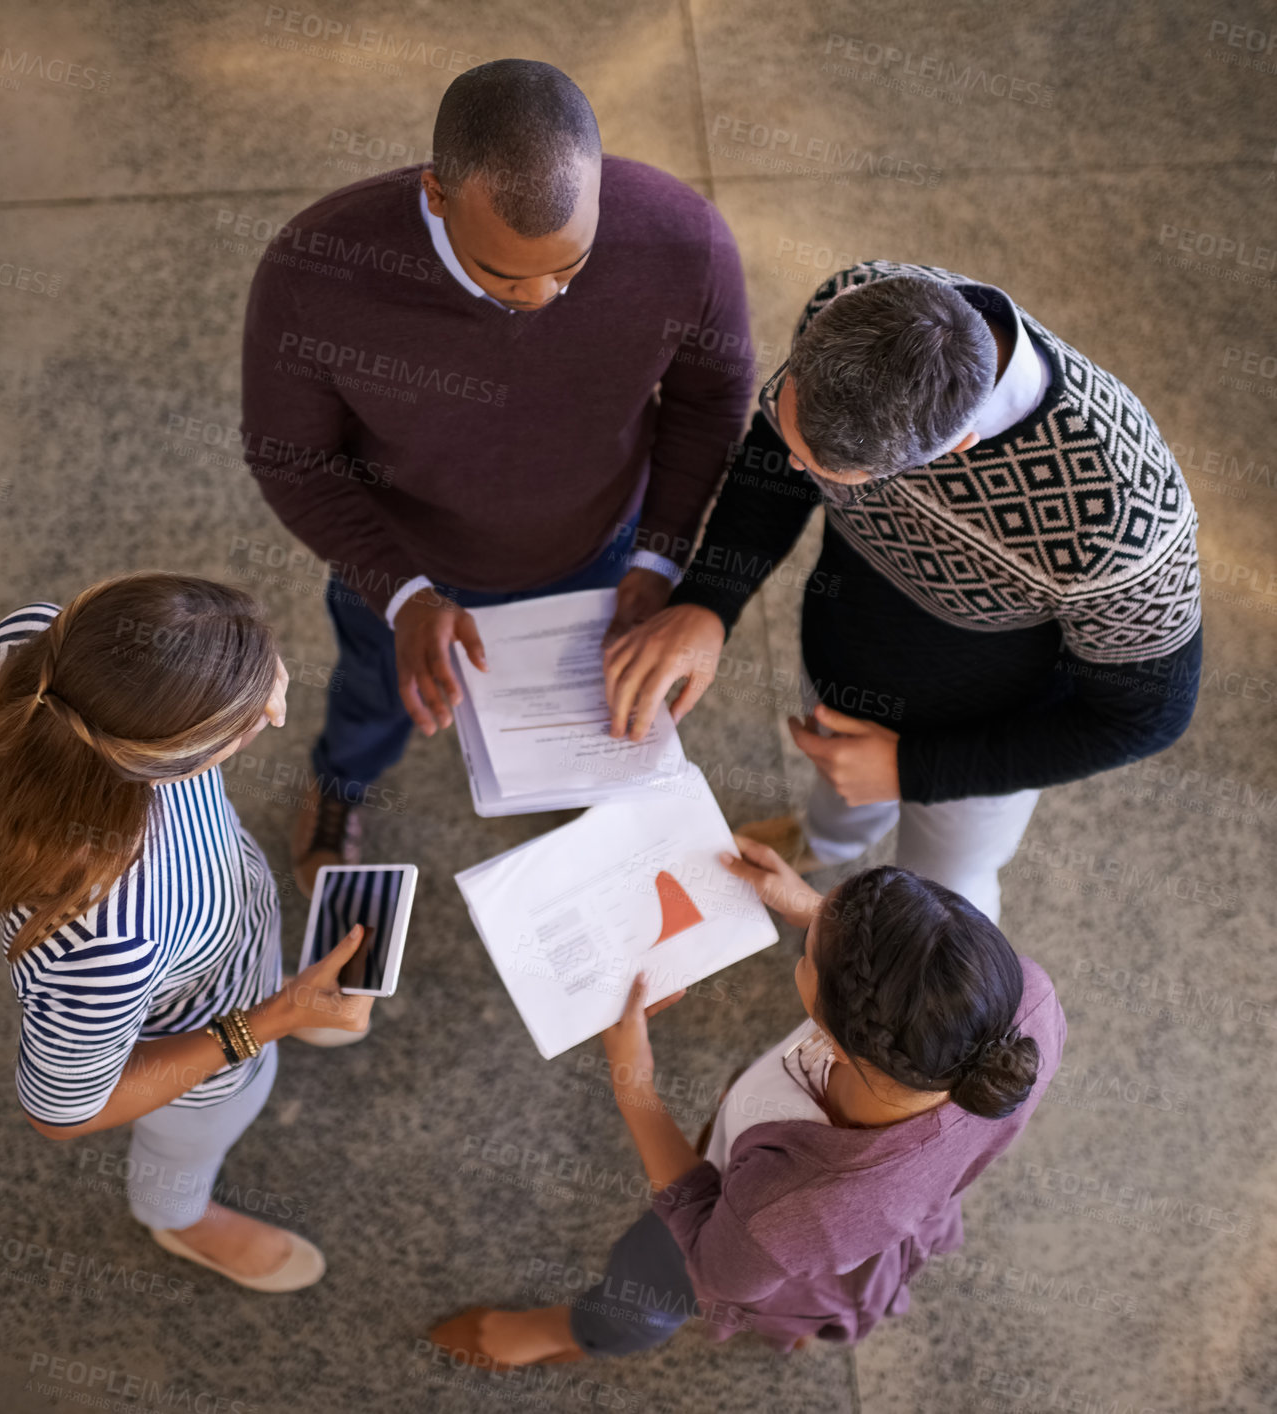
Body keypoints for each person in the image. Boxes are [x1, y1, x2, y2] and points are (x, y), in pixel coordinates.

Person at [241, 58, 753, 895]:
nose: (544, 297)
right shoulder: (315, 271)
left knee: (591, 714)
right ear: (437, 195)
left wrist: (660, 558)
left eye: (572, 264)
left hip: (602, 545)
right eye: (504, 276)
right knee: (373, 697)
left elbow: (710, 403)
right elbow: (291, 456)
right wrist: (402, 596)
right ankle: (339, 787)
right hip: (405, 562)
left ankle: (576, 795)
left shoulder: (683, 238)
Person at [603, 262, 1202, 922]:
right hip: (841, 659)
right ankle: (826, 840)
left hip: (982, 741)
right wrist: (709, 600)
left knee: (945, 894)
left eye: (828, 473)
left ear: (957, 447)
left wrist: (914, 770)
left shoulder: (1120, 516)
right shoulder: (852, 301)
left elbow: (1147, 715)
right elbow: (776, 460)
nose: (796, 464)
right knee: (836, 801)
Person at [429, 838, 1066, 1363]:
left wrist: (636, 1088)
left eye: (810, 951)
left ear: (840, 1041)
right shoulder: (1026, 1003)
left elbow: (712, 1266)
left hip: (751, 1242)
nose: (809, 930)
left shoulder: (793, 1207)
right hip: (852, 1214)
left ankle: (563, 1335)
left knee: (646, 1279)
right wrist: (827, 918)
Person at [0, 574, 373, 1291]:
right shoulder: (111, 941)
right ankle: (178, 1217)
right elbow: (61, 1114)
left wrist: (226, 669)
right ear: (175, 760)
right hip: (201, 1058)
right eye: (250, 715)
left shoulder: (40, 646)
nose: (272, 712)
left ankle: (297, 1003)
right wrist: (270, 1020)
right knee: (189, 1145)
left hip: (220, 956)